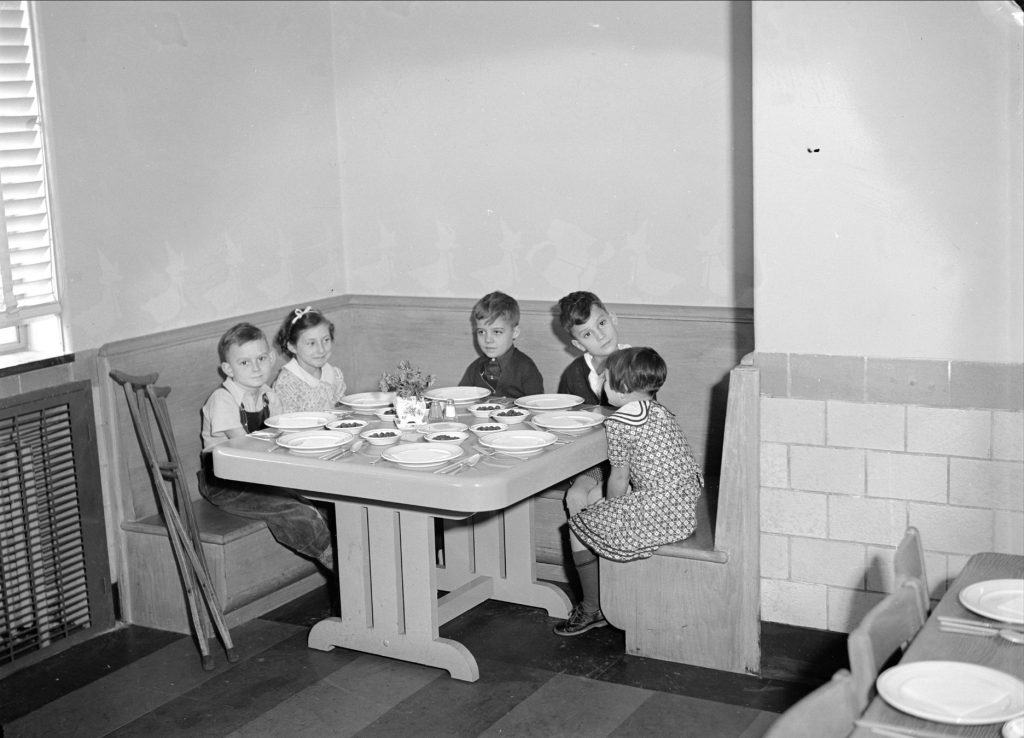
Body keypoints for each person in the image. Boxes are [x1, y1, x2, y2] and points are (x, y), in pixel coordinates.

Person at [555, 346, 704, 636]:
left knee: (578, 525)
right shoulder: (659, 410)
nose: (601, 385)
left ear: (621, 388)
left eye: (605, 380)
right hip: (684, 499)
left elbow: (620, 479)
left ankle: (591, 607)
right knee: (596, 503)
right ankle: (602, 597)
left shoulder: (620, 423)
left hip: (663, 510)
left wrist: (610, 506)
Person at [199, 322, 334, 572]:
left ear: (271, 358)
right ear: (228, 368)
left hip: (259, 473)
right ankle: (334, 560)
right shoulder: (223, 399)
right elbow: (244, 449)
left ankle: (351, 560)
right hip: (224, 481)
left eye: (261, 358)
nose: (256, 367)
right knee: (291, 508)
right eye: (244, 362)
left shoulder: (267, 395)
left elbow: (281, 436)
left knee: (326, 499)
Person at [551, 291, 628, 633]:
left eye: (602, 323)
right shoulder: (574, 373)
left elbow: (643, 432)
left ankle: (616, 600)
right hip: (597, 459)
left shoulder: (635, 363)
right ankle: (593, 605)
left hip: (633, 461)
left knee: (597, 500)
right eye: (587, 334)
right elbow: (574, 430)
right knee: (575, 497)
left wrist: (605, 482)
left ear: (613, 318)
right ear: (576, 343)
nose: (600, 336)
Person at [458, 291, 544, 400]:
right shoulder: (475, 368)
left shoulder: (526, 368)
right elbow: (461, 401)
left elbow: (537, 406)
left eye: (497, 332)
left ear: (515, 332)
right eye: (481, 332)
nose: (488, 340)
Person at [272, 306, 347, 414]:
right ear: (292, 347)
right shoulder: (286, 384)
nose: (321, 350)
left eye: (326, 340)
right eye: (311, 343)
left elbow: (343, 413)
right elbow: (287, 425)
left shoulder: (334, 374)